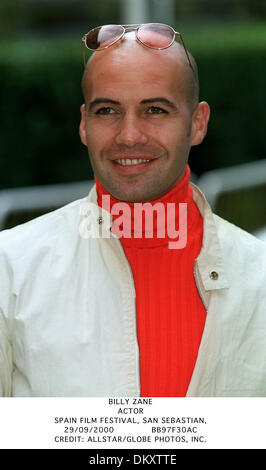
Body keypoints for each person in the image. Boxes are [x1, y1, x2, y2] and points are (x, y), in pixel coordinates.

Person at [0, 24, 265, 397]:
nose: (129, 135)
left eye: (155, 110)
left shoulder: (259, 277)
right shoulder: (10, 267)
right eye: (107, 110)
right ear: (83, 124)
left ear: (198, 123)